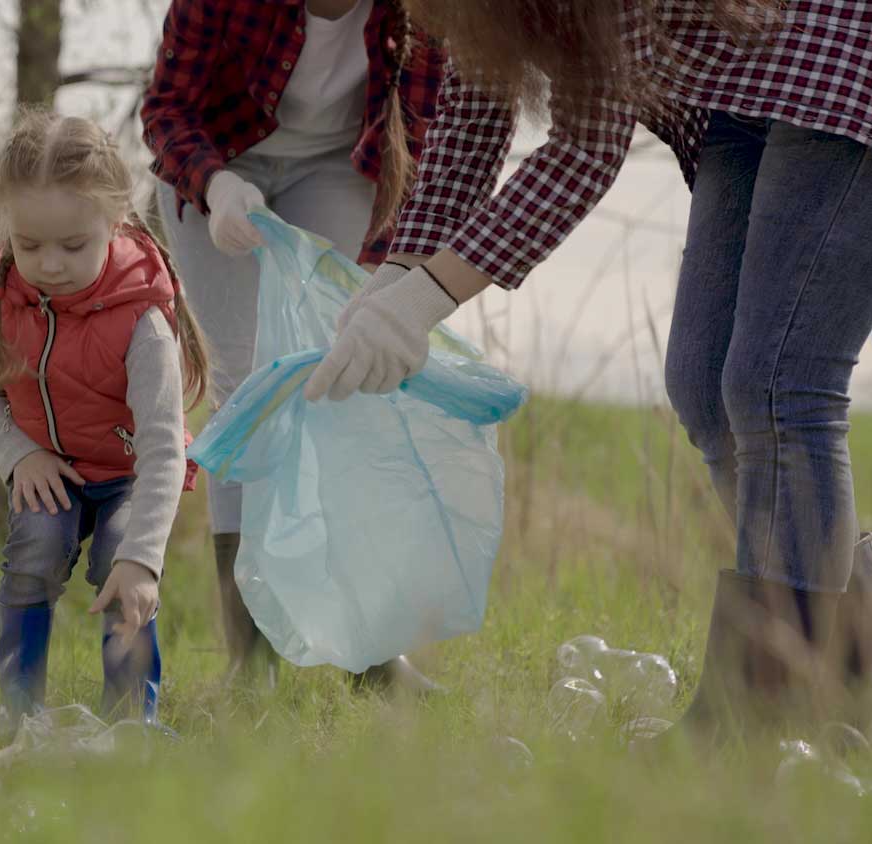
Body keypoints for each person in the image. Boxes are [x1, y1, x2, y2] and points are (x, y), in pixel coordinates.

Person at [307, 0, 872, 737]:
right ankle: (844, 631)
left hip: (843, 53)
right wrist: (393, 281)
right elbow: (475, 119)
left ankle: (769, 709)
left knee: (773, 388)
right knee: (704, 386)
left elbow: (586, 150)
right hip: (745, 85)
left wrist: (424, 301)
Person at [141, 0, 447, 692]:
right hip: (219, 162)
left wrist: (385, 275)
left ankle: (370, 653)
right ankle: (252, 661)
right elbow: (165, 109)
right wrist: (215, 186)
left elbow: (427, 134)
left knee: (339, 383)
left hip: (339, 167)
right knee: (244, 385)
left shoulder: (424, 11)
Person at [0, 110, 210, 731]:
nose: (48, 264)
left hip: (128, 474)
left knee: (121, 559)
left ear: (115, 221)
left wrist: (145, 560)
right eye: (29, 244)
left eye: (73, 245)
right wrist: (21, 454)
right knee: (35, 552)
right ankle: (18, 717)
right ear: (6, 228)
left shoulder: (144, 321)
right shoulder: (0, 300)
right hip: (50, 470)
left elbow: (161, 450)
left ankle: (128, 726)